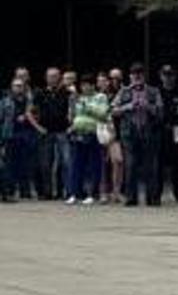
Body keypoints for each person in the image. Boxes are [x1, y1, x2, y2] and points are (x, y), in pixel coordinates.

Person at [112, 64, 166, 207]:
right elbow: (113, 110)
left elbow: (161, 111)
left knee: (151, 166)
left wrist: (148, 106)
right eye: (134, 74)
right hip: (129, 133)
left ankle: (152, 198)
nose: (137, 76)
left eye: (139, 73)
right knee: (130, 165)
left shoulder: (153, 91)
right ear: (130, 76)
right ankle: (131, 197)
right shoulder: (123, 91)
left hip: (149, 132)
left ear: (144, 76)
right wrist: (128, 106)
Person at [66, 76, 108, 205]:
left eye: (86, 85)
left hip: (93, 133)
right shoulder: (79, 98)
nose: (84, 87)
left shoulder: (100, 97)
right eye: (82, 85)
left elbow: (103, 114)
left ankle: (92, 194)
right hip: (78, 133)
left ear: (92, 85)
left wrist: (86, 105)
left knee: (93, 165)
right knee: (76, 165)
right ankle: (74, 193)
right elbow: (74, 115)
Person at [35, 67, 69, 200]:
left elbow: (73, 110)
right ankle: (47, 192)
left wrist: (70, 126)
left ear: (60, 77)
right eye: (50, 76)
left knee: (65, 163)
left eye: (55, 76)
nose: (52, 79)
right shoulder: (40, 93)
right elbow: (30, 111)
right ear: (46, 78)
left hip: (62, 131)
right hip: (46, 131)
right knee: (45, 163)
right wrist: (38, 127)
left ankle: (64, 191)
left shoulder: (66, 93)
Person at [158, 64, 178, 203]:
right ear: (161, 76)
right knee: (159, 162)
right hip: (161, 129)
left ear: (175, 76)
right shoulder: (157, 92)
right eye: (165, 75)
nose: (168, 78)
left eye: (170, 75)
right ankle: (156, 193)